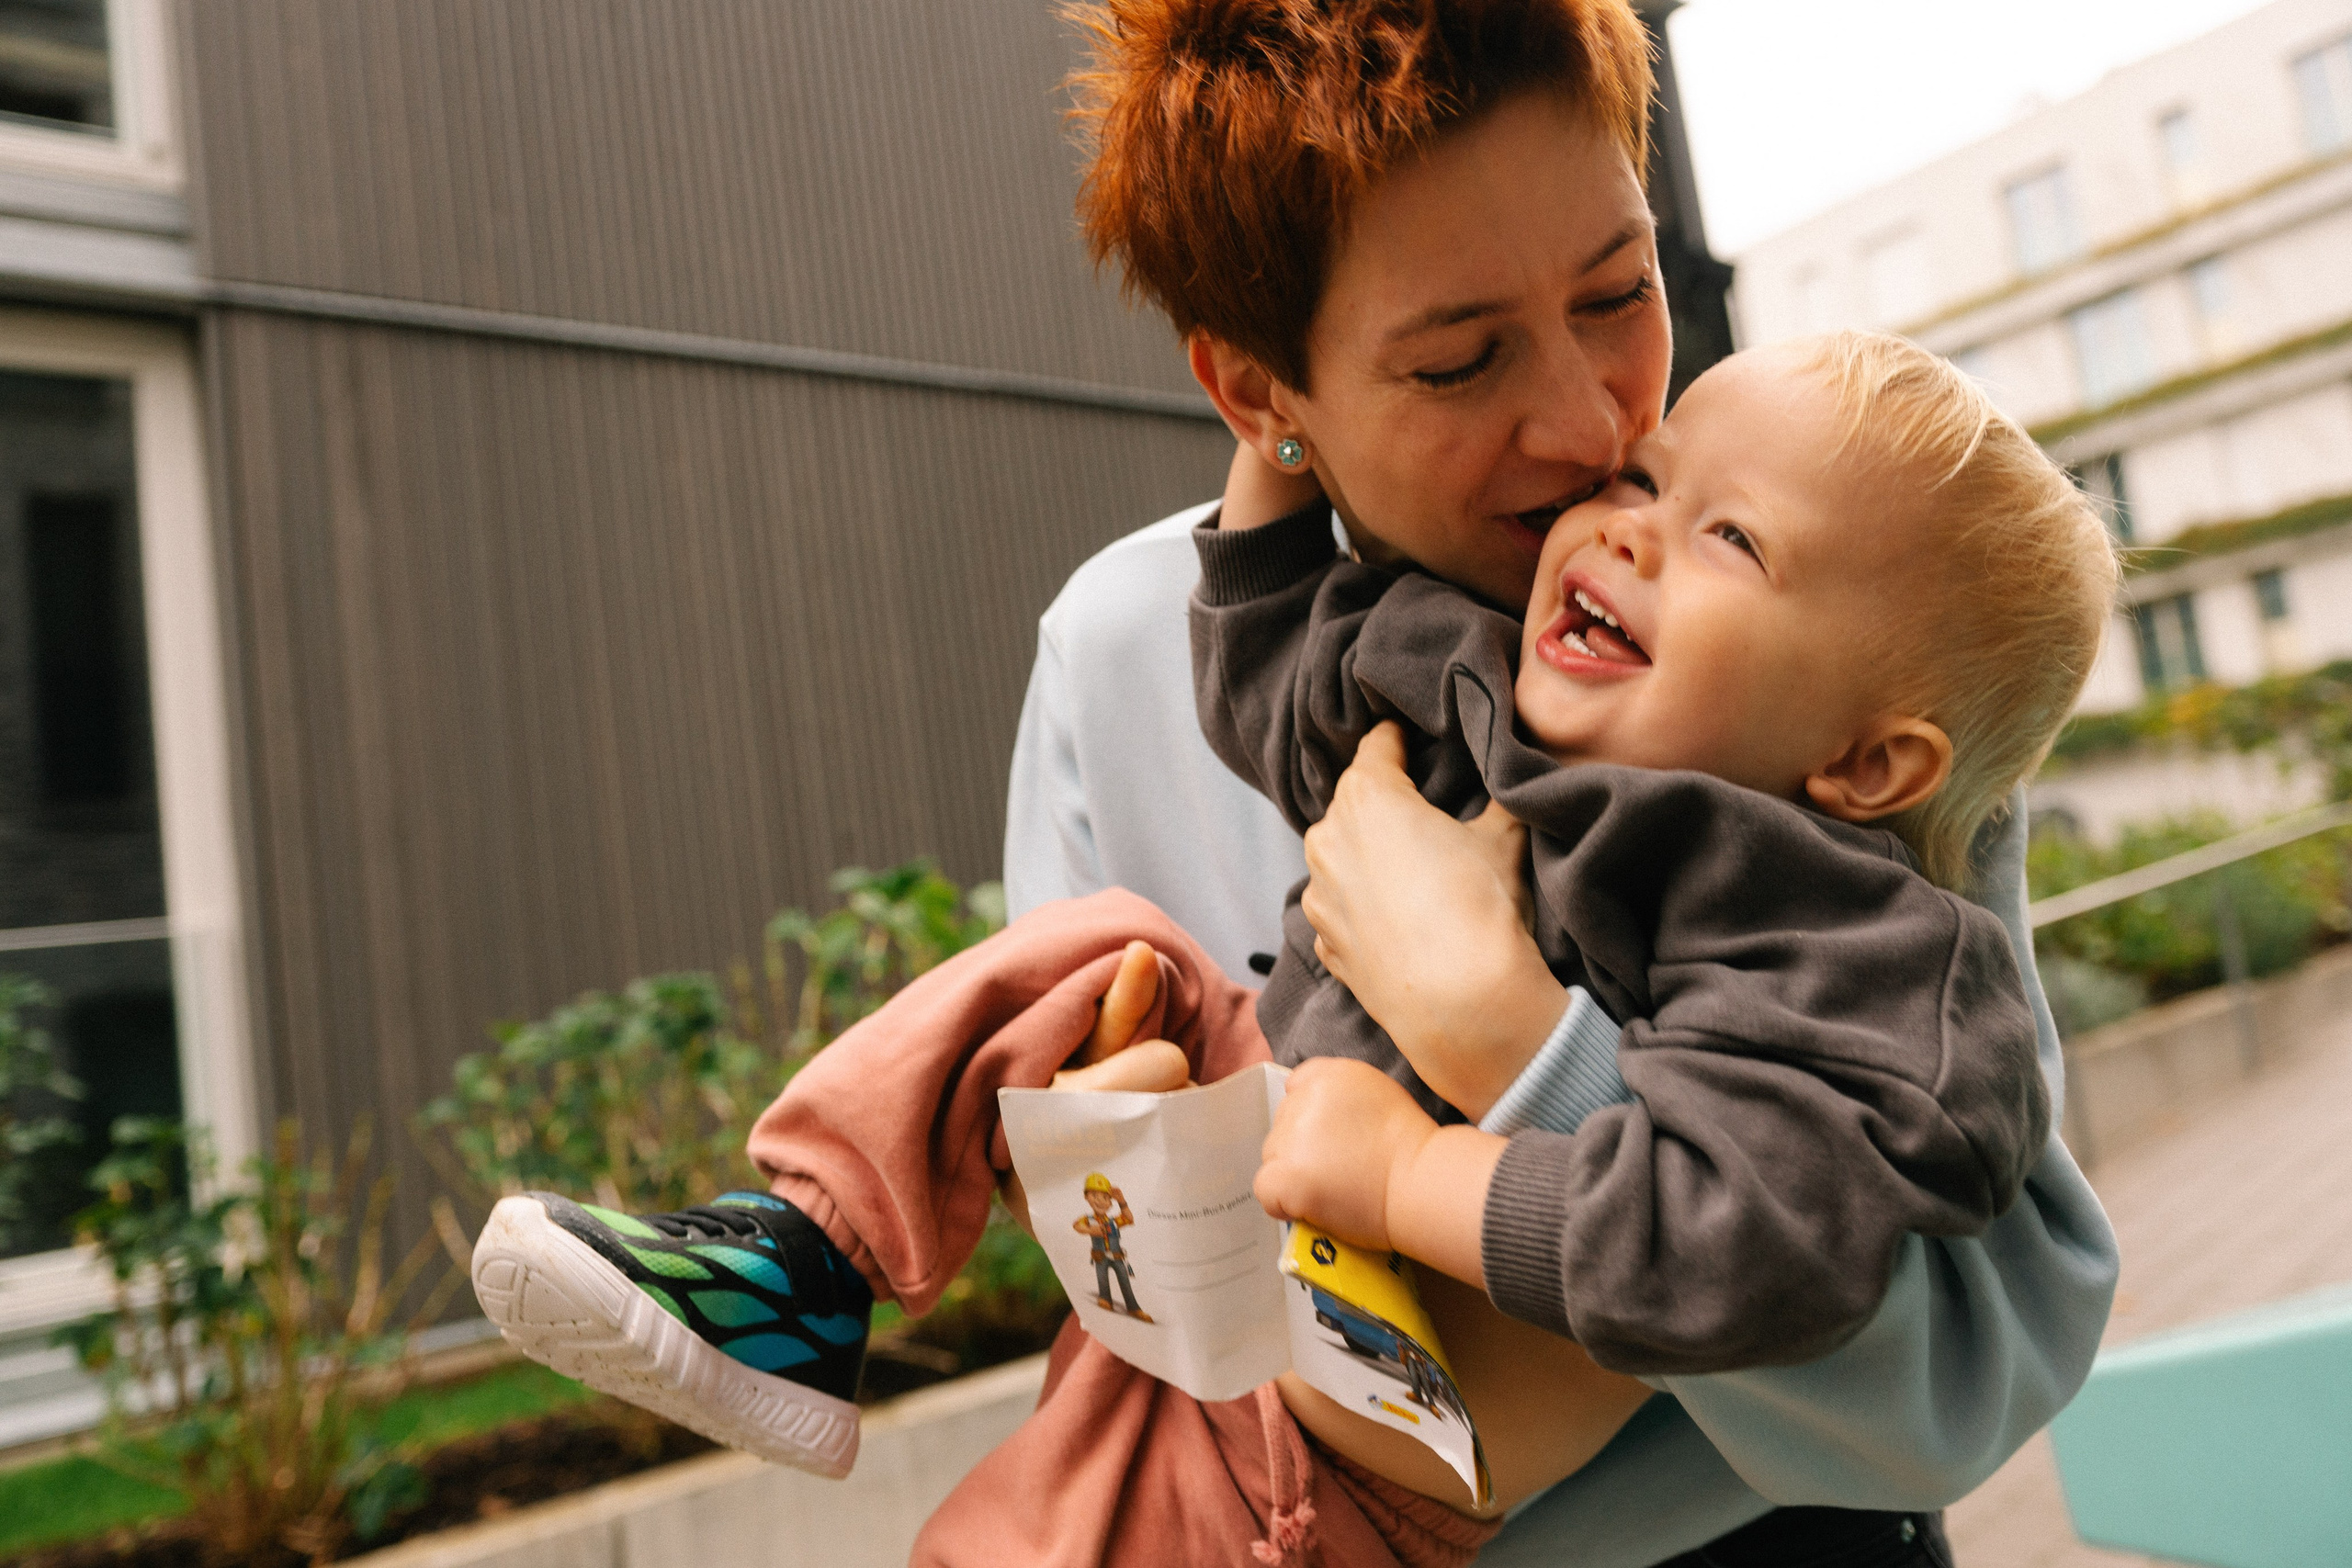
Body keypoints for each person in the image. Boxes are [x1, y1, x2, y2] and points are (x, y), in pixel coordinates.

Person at [1004, 1, 2120, 1562]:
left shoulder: (1821, 650)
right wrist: (1115, 1159)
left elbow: (1973, 1360)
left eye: (1621, 290)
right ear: (1260, 394)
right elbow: (1110, 1245)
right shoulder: (1125, 649)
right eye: (1461, 361)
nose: (1597, 426)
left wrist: (1516, 1044)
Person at [1203, 327, 2108, 1379]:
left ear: (1866, 766)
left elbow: (1738, 1248)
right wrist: (1278, 405)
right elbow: (1269, 656)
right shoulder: (1467, 676)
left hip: (1411, 1435)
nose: (1628, 531)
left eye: (1733, 538)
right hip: (1238, 1305)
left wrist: (1410, 1178)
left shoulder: (1838, 941)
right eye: (1642, 478)